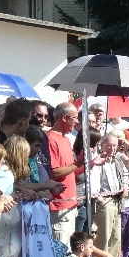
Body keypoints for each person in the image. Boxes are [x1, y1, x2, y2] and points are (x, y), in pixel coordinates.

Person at [47, 102, 81, 246]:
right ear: (64, 118)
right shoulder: (50, 139)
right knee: (61, 250)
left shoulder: (66, 139)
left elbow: (70, 171)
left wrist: (90, 163)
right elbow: (54, 172)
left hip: (70, 204)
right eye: (75, 118)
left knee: (68, 251)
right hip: (59, 206)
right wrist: (78, 163)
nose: (77, 121)